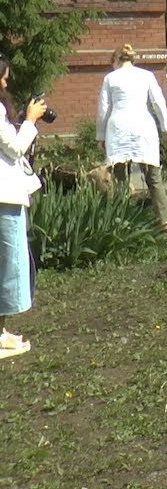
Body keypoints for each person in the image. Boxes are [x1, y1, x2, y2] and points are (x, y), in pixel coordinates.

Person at [97, 44, 167, 233]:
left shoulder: (110, 78)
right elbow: (158, 101)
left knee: (120, 178)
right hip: (143, 126)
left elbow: (103, 108)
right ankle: (164, 220)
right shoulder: (146, 75)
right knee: (153, 176)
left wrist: (100, 135)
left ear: (115, 60)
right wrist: (165, 126)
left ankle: (122, 220)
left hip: (118, 127)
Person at [0, 58, 46, 358]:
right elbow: (14, 148)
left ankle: (2, 331)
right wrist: (29, 121)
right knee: (8, 265)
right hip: (4, 197)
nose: (5, 83)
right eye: (2, 78)